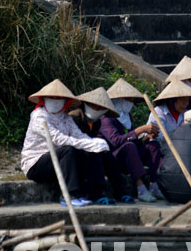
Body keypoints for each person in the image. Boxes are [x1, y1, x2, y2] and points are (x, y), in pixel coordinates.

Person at [20, 79, 114, 207]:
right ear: (44, 99)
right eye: (52, 98)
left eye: (59, 98)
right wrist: (88, 143)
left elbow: (79, 135)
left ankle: (96, 193)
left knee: (92, 149)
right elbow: (58, 139)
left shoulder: (66, 118)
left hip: (59, 164)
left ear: (65, 101)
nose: (55, 101)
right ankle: (69, 194)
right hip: (36, 164)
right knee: (68, 149)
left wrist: (94, 143)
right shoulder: (39, 116)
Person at [100, 78, 163, 203]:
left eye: (133, 100)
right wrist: (139, 130)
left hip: (129, 156)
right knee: (129, 146)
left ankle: (154, 184)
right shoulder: (106, 118)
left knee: (153, 145)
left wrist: (145, 138)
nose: (131, 102)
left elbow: (132, 141)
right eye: (129, 99)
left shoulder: (126, 117)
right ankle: (140, 188)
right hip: (113, 159)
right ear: (119, 100)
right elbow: (116, 141)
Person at [70, 87, 134, 204]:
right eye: (94, 106)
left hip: (88, 151)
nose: (97, 109)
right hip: (75, 154)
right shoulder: (75, 117)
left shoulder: (96, 122)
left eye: (101, 108)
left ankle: (121, 192)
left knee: (109, 158)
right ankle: (96, 193)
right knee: (96, 155)